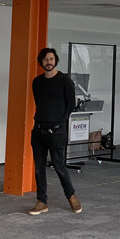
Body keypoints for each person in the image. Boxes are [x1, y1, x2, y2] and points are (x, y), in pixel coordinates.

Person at [27, 47, 82, 215]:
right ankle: (41, 201)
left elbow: (70, 105)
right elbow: (39, 103)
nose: (48, 62)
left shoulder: (65, 81)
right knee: (38, 168)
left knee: (59, 166)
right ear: (41, 62)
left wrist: (59, 123)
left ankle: (71, 196)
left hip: (57, 132)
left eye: (50, 59)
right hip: (38, 131)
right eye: (45, 60)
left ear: (55, 60)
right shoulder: (37, 82)